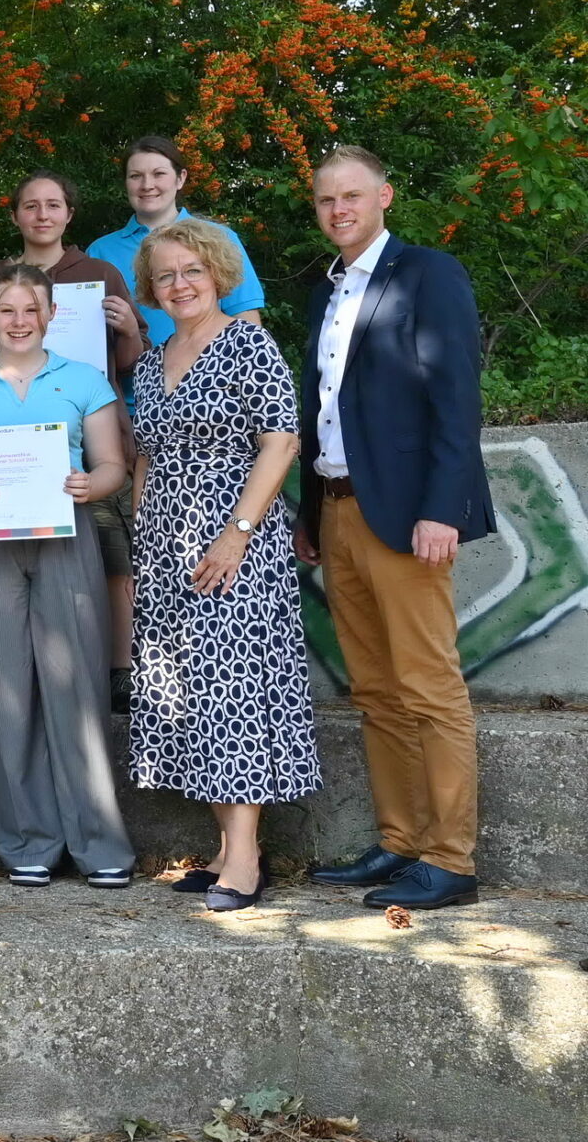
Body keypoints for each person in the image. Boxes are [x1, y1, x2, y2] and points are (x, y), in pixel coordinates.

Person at [297, 148, 493, 911]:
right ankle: (402, 841)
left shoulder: (428, 272)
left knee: (428, 686)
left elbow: (455, 396)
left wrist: (443, 506)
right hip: (340, 509)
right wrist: (312, 514)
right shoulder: (327, 290)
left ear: (384, 194)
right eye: (324, 199)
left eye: (351, 195)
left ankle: (451, 858)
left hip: (409, 513)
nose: (338, 209)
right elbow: (325, 409)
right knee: (376, 690)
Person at [125, 220, 319, 911]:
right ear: (152, 287)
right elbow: (147, 455)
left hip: (232, 541)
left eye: (191, 272)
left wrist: (235, 534)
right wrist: (145, 538)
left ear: (217, 276)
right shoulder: (151, 361)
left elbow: (281, 441)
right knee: (191, 691)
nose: (179, 284)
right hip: (168, 545)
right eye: (166, 275)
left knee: (232, 686)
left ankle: (244, 857)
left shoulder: (247, 342)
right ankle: (226, 846)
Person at [0, 265, 137, 890]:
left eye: (31, 310)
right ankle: (27, 840)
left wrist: (90, 483)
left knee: (77, 684)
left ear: (49, 316)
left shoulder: (83, 379)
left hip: (67, 532)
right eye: (7, 310)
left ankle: (98, 840)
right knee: (4, 691)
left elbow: (114, 467)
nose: (19, 321)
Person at [0, 170, 148, 713]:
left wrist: (130, 328)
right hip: (11, 451)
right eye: (30, 205)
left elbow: (132, 361)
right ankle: (24, 677)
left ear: (68, 214)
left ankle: (118, 671)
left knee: (109, 554)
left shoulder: (101, 273)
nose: (42, 215)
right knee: (13, 563)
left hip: (88, 436)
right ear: (15, 215)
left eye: (53, 205)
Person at [84, 136, 265, 343]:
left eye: (159, 174)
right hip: (129, 374)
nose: (147, 185)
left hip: (210, 371)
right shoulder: (99, 252)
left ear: (180, 178)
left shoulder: (220, 239)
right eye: (135, 176)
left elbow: (246, 322)